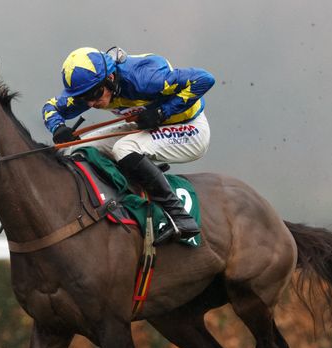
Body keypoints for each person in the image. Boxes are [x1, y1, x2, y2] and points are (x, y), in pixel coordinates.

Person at [42, 47, 215, 243]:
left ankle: (180, 216)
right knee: (74, 148)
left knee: (123, 148)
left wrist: (162, 112)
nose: (91, 103)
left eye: (95, 94)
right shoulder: (95, 87)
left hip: (189, 128)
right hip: (147, 127)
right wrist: (58, 127)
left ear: (111, 78)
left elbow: (204, 78)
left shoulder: (145, 80)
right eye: (84, 97)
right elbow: (51, 106)